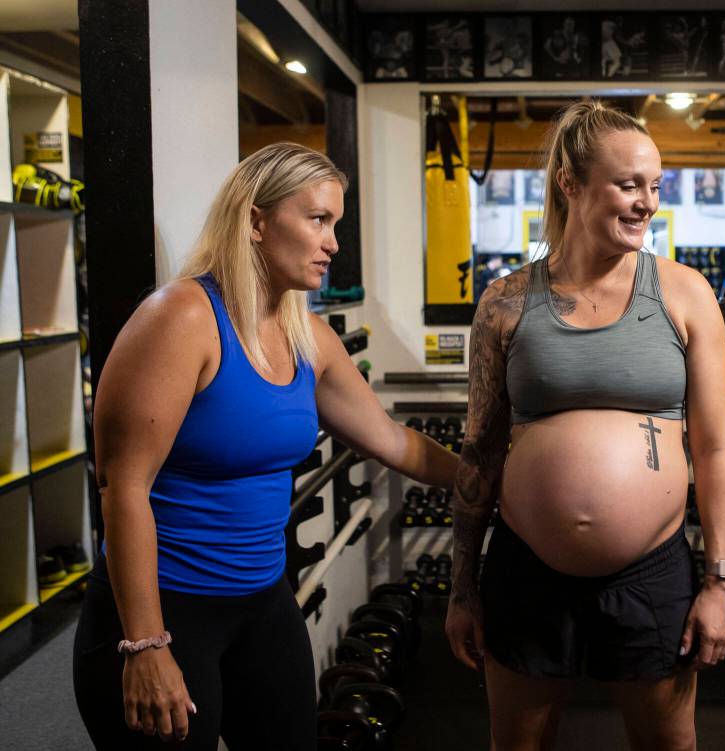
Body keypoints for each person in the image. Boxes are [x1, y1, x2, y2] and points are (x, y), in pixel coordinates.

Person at [73, 143, 459, 749]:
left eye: (337, 223)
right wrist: (146, 644)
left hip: (261, 600)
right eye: (318, 220)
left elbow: (391, 441)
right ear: (255, 221)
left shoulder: (308, 336)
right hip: (166, 607)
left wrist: (492, 481)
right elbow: (122, 487)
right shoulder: (180, 318)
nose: (333, 242)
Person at [446, 100, 725, 750]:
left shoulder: (686, 294)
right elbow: (481, 449)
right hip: (525, 568)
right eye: (628, 184)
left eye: (655, 186)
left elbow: (716, 450)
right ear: (570, 183)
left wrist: (721, 582)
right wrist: (463, 584)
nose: (647, 203)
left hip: (651, 570)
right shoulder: (506, 301)